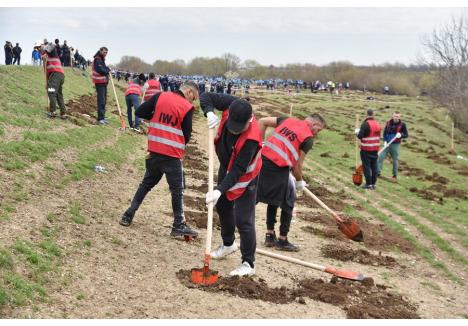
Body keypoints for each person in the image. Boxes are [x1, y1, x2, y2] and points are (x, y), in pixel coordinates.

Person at [119, 81, 200, 239]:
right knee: (177, 190)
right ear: (189, 92)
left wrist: (155, 117)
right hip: (171, 155)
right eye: (194, 97)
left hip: (154, 150)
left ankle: (128, 215)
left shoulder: (160, 96)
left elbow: (140, 112)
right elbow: (187, 134)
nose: (193, 101)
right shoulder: (186, 107)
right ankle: (178, 225)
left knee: (146, 184)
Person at [201, 93, 262, 277]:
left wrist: (219, 189)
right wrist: (209, 113)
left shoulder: (251, 140)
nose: (234, 130)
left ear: (249, 120)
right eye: (232, 125)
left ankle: (248, 263)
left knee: (244, 220)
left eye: (239, 127)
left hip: (246, 176)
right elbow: (206, 97)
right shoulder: (233, 104)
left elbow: (238, 170)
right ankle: (228, 244)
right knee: (223, 206)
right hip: (226, 164)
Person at [256, 113, 326, 251]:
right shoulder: (308, 138)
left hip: (263, 161)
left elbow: (262, 121)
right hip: (279, 168)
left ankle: (270, 236)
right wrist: (299, 182)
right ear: (314, 125)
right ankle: (282, 240)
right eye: (318, 130)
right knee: (289, 200)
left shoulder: (287, 120)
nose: (317, 134)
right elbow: (297, 166)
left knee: (273, 200)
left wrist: (259, 145)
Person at [377, 112, 408, 182]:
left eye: (397, 116)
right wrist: (384, 141)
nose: (396, 117)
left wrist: (401, 135)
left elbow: (406, 135)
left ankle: (394, 175)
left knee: (395, 160)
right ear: (392, 116)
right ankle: (377, 173)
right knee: (380, 157)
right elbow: (385, 133)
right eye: (395, 116)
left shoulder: (403, 125)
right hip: (387, 144)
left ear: (399, 117)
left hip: (395, 145)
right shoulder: (388, 123)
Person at [355, 109, 382, 190]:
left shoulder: (365, 124)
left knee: (366, 167)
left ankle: (368, 184)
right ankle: (373, 184)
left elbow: (360, 136)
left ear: (366, 114)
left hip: (366, 149)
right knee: (374, 167)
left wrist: (356, 132)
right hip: (375, 149)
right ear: (373, 114)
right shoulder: (377, 124)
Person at [42, 43, 66, 119]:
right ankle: (63, 113)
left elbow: (52, 45)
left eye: (40, 48)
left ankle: (53, 111)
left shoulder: (51, 52)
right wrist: (46, 83)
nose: (39, 50)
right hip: (59, 75)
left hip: (56, 73)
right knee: (59, 94)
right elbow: (46, 73)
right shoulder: (45, 58)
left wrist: (45, 49)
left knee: (51, 91)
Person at [91, 47, 110, 125]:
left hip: (103, 82)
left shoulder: (102, 59)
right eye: (104, 52)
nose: (105, 54)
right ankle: (100, 118)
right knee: (101, 100)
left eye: (106, 52)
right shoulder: (97, 59)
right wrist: (107, 70)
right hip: (99, 82)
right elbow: (100, 70)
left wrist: (107, 69)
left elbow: (104, 68)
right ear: (100, 51)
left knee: (104, 100)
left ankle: (102, 117)